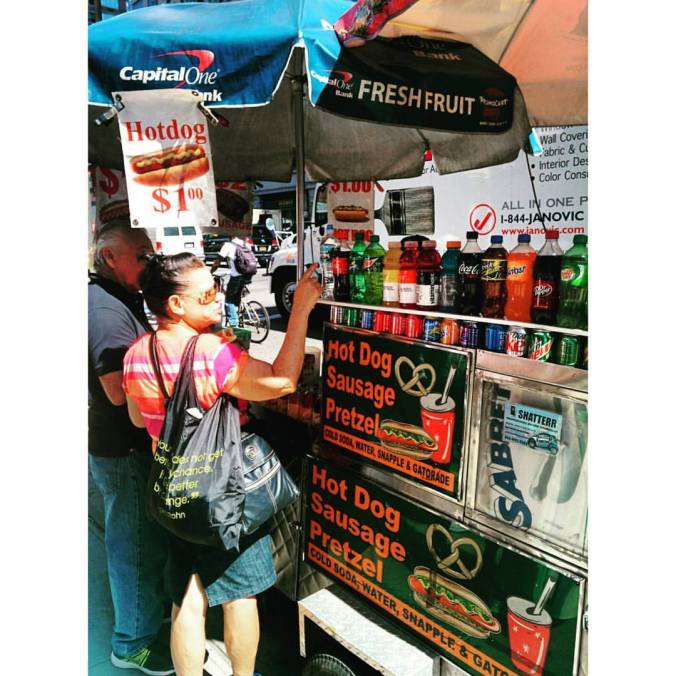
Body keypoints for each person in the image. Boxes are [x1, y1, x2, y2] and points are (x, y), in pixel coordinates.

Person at [123, 253, 321, 676]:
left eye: (216, 287)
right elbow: (282, 381)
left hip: (173, 494)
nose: (217, 297)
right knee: (240, 594)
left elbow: (139, 419)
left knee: (187, 594)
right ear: (176, 304)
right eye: (207, 293)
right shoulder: (212, 353)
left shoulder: (137, 352)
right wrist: (301, 310)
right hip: (222, 494)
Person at [88, 220, 174, 675]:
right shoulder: (105, 310)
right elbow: (118, 392)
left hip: (121, 447)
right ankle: (132, 643)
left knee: (140, 540)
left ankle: (144, 616)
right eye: (140, 256)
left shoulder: (120, 297)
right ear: (109, 257)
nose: (149, 262)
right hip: (121, 449)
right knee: (134, 544)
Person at [210, 235, 252, 328]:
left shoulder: (228, 245)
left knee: (229, 300)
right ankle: (240, 316)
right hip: (248, 274)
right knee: (237, 296)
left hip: (236, 276)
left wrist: (210, 272)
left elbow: (217, 262)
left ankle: (233, 323)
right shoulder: (245, 244)